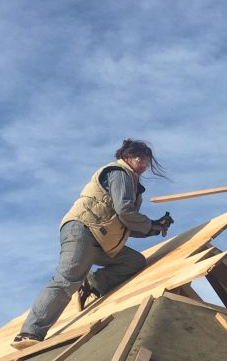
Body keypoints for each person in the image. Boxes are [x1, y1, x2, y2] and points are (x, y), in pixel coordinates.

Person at [13, 139, 173, 349]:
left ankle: (93, 283)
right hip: (83, 230)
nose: (143, 164)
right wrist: (150, 223)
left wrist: (154, 227)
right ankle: (29, 333)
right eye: (139, 158)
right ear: (126, 157)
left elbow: (125, 225)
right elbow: (125, 211)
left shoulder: (133, 184)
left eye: (146, 161)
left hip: (103, 239)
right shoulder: (119, 173)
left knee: (134, 261)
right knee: (67, 279)